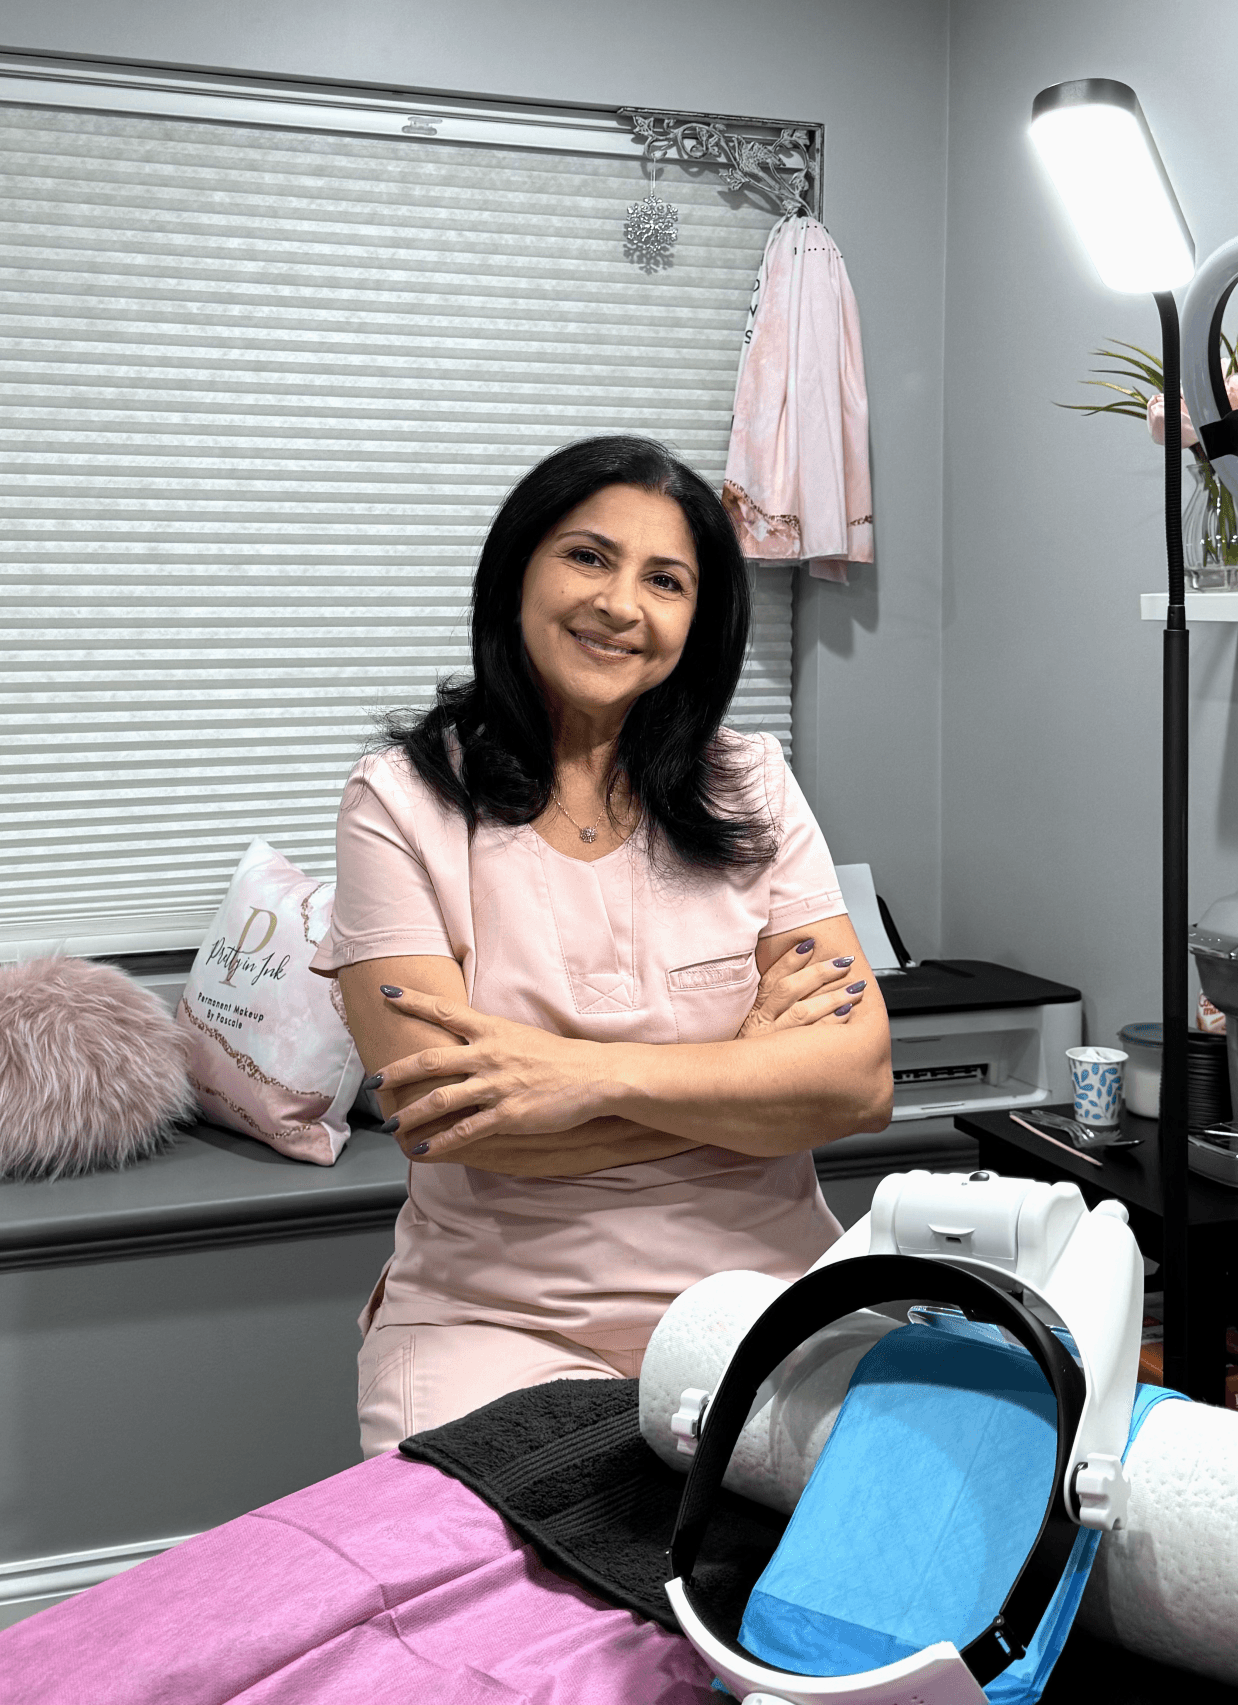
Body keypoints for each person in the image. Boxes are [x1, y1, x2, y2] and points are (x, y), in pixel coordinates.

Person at [311, 436, 893, 1454]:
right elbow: (453, 1123)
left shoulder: (753, 784)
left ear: (698, 620)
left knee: (884, 1529)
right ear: (518, 572)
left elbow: (857, 1085)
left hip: (767, 1298)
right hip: (495, 1319)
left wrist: (582, 1079)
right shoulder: (401, 801)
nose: (621, 605)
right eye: (588, 557)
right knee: (477, 1546)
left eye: (666, 580)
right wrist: (747, 1082)